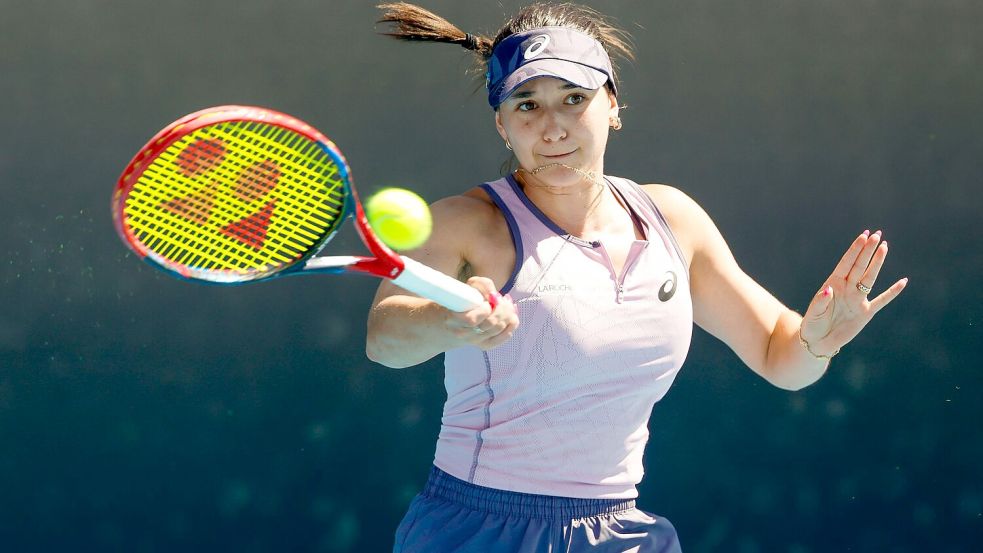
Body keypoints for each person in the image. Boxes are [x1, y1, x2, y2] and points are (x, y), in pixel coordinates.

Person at [366, 2, 908, 551]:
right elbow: (385, 338)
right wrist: (452, 321)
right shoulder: (466, 222)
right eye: (527, 104)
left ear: (613, 106)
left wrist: (816, 341)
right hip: (481, 529)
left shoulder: (673, 220)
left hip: (618, 531)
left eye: (574, 100)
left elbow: (778, 355)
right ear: (502, 124)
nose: (552, 126)